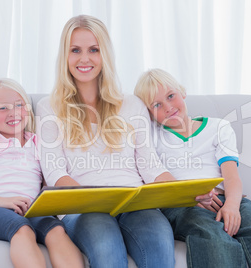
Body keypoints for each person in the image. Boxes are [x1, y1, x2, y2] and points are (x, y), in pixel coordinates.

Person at [35, 15, 210, 268]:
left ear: (105, 54)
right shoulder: (49, 108)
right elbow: (54, 172)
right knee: (107, 247)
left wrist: (188, 192)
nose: (85, 59)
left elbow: (150, 165)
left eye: (93, 50)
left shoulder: (132, 105)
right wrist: (95, 198)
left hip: (134, 203)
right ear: (65, 56)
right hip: (84, 208)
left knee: (160, 246)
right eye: (75, 50)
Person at [134, 68, 251, 268]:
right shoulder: (153, 136)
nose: (168, 107)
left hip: (225, 198)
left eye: (171, 96)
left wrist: (231, 205)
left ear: (182, 92)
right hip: (184, 205)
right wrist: (190, 194)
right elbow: (157, 175)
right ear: (149, 114)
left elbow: (231, 177)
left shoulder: (218, 127)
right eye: (157, 105)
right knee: (213, 238)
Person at [0, 78, 84, 268]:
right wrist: (5, 201)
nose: (14, 112)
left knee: (56, 231)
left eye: (19, 105)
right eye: (3, 108)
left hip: (31, 210)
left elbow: (47, 182)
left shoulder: (38, 144)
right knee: (22, 229)